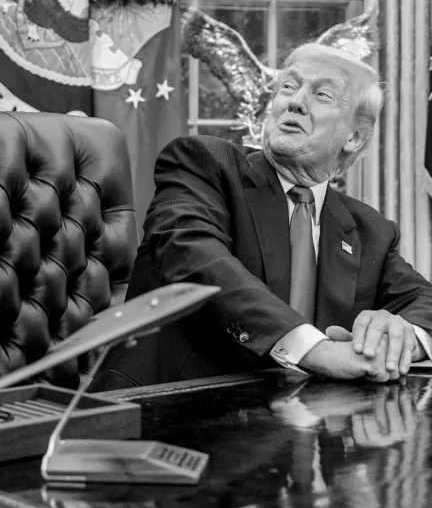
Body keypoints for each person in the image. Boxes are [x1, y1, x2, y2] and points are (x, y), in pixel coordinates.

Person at [92, 43, 432, 391]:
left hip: (307, 415)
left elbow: (425, 302)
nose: (295, 101)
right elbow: (196, 260)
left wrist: (400, 339)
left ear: (354, 137)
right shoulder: (203, 164)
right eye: (288, 86)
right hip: (163, 409)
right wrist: (318, 351)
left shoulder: (371, 231)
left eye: (322, 94)